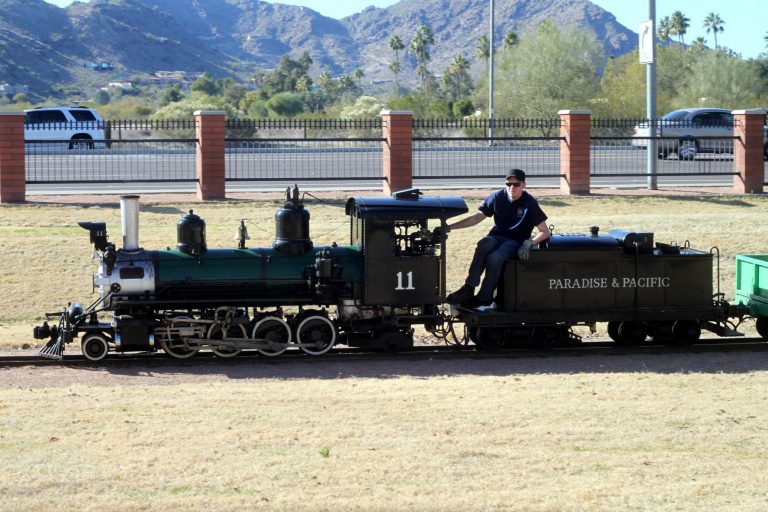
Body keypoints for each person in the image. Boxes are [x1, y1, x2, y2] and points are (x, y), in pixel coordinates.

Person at [443, 169, 550, 308]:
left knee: (496, 257)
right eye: (508, 184)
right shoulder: (497, 197)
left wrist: (529, 243)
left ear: (524, 185)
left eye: (516, 184)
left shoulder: (529, 202)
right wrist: (449, 227)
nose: (512, 188)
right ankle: (468, 288)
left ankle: (484, 297)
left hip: (515, 241)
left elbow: (545, 232)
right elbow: (476, 218)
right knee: (485, 243)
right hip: (497, 236)